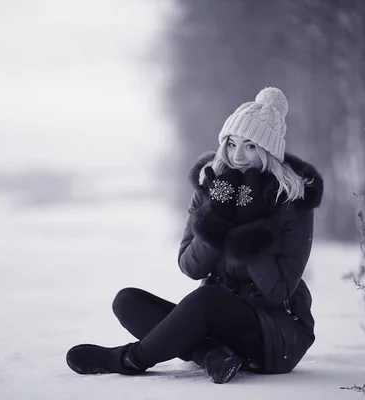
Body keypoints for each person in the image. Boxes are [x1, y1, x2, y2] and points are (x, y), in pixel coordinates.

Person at [66, 87, 324, 384]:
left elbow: (278, 291)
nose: (237, 156)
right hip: (214, 320)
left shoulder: (292, 201)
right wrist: (218, 216)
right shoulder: (212, 187)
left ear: (268, 152)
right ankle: (212, 355)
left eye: (250, 146)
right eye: (231, 143)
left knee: (206, 300)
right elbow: (191, 267)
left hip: (274, 336)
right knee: (127, 302)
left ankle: (128, 359)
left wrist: (248, 226)